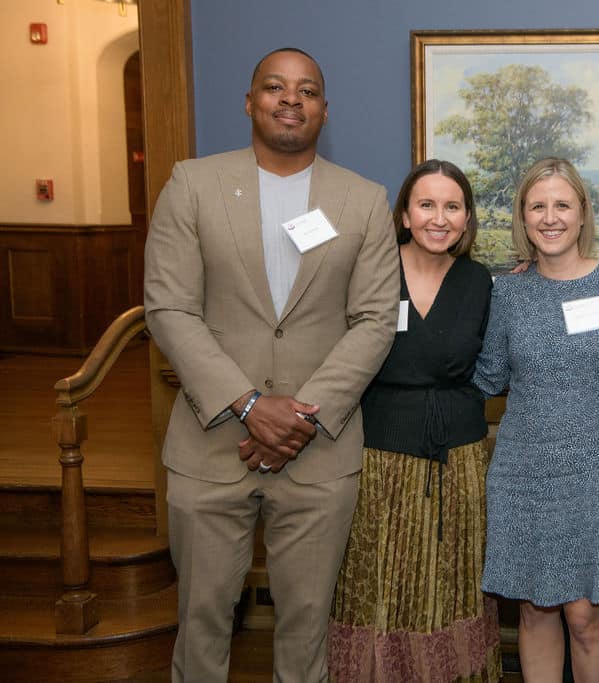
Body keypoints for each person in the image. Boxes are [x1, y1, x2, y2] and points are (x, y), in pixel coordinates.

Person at [143, 47, 399, 682]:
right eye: (275, 87)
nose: (291, 99)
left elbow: (374, 319)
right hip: (212, 446)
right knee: (201, 621)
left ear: (324, 110)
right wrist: (251, 405)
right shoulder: (191, 184)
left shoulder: (364, 199)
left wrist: (298, 419)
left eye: (307, 90)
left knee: (307, 629)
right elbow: (170, 307)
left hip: (318, 453)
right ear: (250, 102)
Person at [474, 157, 599, 682]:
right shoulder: (507, 293)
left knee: (587, 618)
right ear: (523, 217)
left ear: (582, 213)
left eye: (562, 205)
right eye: (537, 206)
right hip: (524, 475)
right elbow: (487, 377)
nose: (550, 218)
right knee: (535, 609)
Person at [327, 159, 501, 682]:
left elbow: (496, 362)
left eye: (453, 207)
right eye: (427, 205)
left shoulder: (480, 282)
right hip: (378, 462)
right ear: (404, 214)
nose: (439, 218)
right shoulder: (371, 272)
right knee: (377, 589)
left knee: (449, 590)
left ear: (467, 219)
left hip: (459, 466)